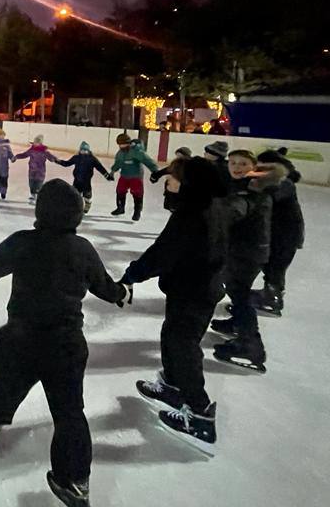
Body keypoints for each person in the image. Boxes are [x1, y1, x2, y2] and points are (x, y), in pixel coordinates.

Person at [0, 181, 129, 507]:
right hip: (66, 343)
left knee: (4, 382)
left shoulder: (22, 243)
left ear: (40, 211)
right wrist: (121, 294)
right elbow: (104, 286)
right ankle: (73, 481)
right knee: (70, 411)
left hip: (22, 339)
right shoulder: (83, 249)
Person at [119, 157, 227, 453]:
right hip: (193, 287)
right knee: (172, 337)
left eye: (174, 178)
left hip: (195, 291)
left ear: (190, 183)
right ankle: (172, 387)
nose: (169, 183)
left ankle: (200, 412)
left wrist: (133, 274)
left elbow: (163, 252)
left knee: (184, 347)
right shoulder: (209, 205)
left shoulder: (192, 214)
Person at [208, 150, 285, 373]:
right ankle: (238, 325)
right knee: (237, 292)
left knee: (239, 295)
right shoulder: (245, 185)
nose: (237, 167)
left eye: (243, 163)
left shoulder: (253, 188)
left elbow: (235, 211)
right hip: (246, 250)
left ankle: (250, 345)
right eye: (233, 163)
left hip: (246, 252)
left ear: (254, 165)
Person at [250, 149, 305, 316]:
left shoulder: (283, 184)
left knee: (275, 266)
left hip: (284, 235)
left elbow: (267, 198)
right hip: (280, 232)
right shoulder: (280, 181)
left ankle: (272, 300)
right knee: (271, 265)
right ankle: (270, 293)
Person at [109, 133, 159, 221]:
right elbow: (118, 163)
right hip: (124, 175)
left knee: (137, 193)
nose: (121, 146)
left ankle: (137, 212)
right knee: (120, 190)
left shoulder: (136, 152)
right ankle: (120, 208)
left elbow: (147, 161)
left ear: (128, 143)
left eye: (123, 144)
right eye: (120, 145)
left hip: (136, 176)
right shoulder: (120, 153)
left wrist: (155, 171)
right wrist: (113, 171)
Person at [55, 141, 112, 214]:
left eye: (85, 150)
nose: (83, 152)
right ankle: (75, 207)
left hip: (86, 181)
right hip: (77, 180)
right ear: (80, 150)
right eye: (82, 150)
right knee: (75, 195)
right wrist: (59, 161)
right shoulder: (76, 157)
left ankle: (87, 204)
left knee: (87, 195)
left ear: (88, 151)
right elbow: (67, 163)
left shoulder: (92, 159)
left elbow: (100, 168)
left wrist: (107, 175)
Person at [14, 135, 58, 203]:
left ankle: (37, 197)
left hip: (40, 172)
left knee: (38, 184)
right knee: (31, 184)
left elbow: (51, 157)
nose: (34, 144)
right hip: (32, 170)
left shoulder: (44, 151)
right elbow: (24, 154)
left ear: (40, 143)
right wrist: (16, 157)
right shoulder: (32, 150)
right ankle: (33, 195)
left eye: (36, 142)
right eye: (34, 142)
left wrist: (55, 159)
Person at [149, 146, 193, 212]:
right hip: (171, 191)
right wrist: (155, 176)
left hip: (181, 191)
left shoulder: (191, 165)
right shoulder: (175, 163)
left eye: (180, 155)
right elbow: (166, 170)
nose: (178, 157)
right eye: (177, 155)